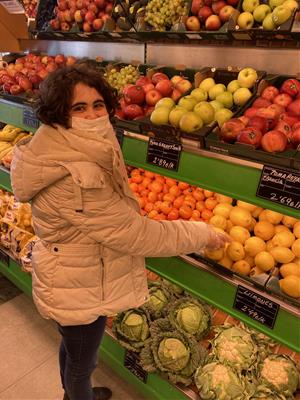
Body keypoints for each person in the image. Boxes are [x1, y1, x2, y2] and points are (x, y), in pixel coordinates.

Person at [10, 63, 229, 400]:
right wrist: (201, 233)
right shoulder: (73, 175)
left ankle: (72, 392)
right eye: (79, 107)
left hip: (70, 272)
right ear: (58, 114)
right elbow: (136, 235)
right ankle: (77, 395)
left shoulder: (59, 145)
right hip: (77, 283)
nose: (93, 114)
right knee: (84, 359)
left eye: (98, 105)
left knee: (73, 350)